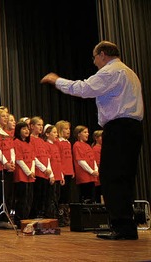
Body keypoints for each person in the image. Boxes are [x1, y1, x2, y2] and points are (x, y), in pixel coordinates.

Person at [41, 40, 143, 240]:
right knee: (124, 178)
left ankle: (122, 227)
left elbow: (84, 89)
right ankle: (126, 226)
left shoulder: (111, 71)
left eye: (95, 57)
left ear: (103, 54)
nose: (94, 61)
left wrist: (56, 80)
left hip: (119, 128)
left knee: (112, 177)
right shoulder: (129, 72)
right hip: (132, 128)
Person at [13, 121, 35, 227]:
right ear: (18, 131)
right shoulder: (16, 142)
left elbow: (33, 158)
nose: (27, 131)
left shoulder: (29, 143)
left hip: (30, 175)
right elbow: (19, 160)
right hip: (22, 174)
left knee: (29, 199)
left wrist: (32, 171)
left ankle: (26, 219)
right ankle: (19, 220)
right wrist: (28, 172)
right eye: (24, 129)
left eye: (27, 129)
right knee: (22, 198)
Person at [54, 120, 74, 226]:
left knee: (67, 195)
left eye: (69, 129)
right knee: (61, 195)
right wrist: (61, 172)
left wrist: (72, 171)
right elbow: (59, 159)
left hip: (69, 171)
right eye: (66, 129)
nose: (68, 131)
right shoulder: (58, 142)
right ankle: (60, 216)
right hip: (62, 172)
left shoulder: (68, 142)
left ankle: (66, 216)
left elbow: (69, 158)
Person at [71, 125, 98, 204]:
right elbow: (80, 161)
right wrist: (91, 171)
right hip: (84, 176)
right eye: (85, 132)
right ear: (79, 134)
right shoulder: (77, 145)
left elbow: (93, 160)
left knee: (92, 197)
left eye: (88, 132)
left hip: (92, 176)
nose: (87, 134)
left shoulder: (88, 145)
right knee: (85, 196)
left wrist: (95, 170)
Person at [92, 130, 103, 201]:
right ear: (96, 138)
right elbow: (98, 163)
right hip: (100, 176)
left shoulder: (103, 148)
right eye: (101, 136)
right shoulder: (96, 149)